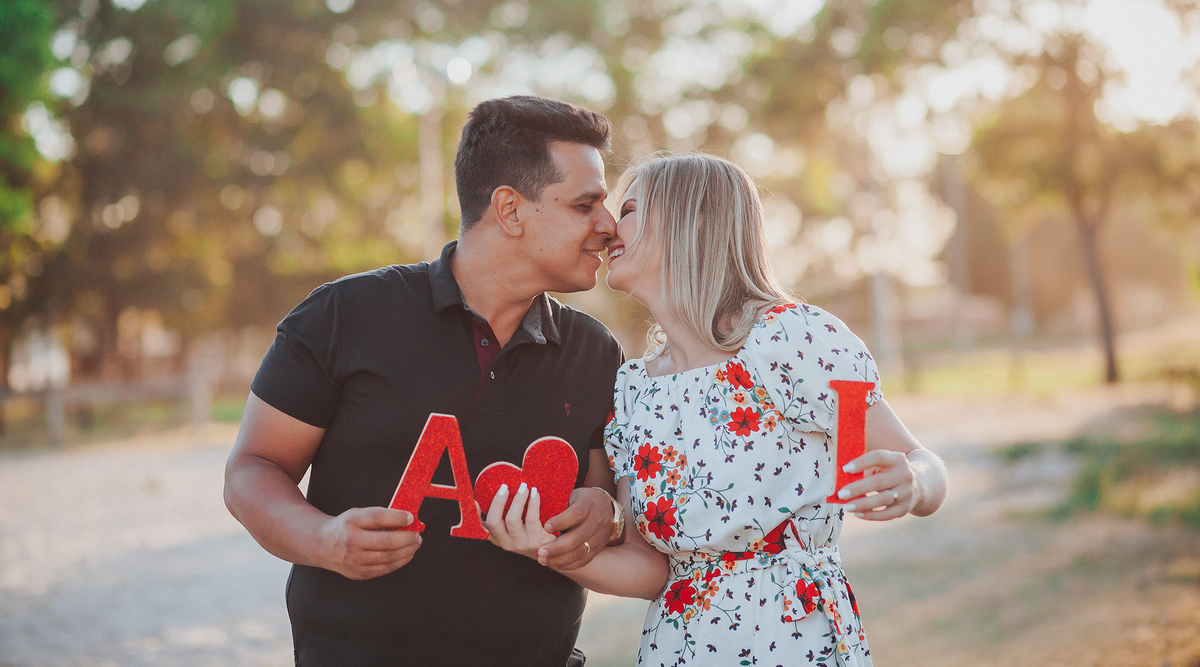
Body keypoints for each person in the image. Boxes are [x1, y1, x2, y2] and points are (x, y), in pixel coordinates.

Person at [486, 152, 949, 666]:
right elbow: (648, 568)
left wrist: (914, 481)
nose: (612, 227)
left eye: (631, 208)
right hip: (676, 650)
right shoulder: (636, 389)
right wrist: (546, 551)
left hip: (795, 642)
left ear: (695, 219)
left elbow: (925, 464)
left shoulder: (792, 338)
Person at [223, 95, 632, 667]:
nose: (609, 226)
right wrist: (325, 540)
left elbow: (604, 496)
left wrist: (604, 511)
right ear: (510, 210)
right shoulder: (343, 315)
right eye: (585, 204)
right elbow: (252, 469)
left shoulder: (596, 352)